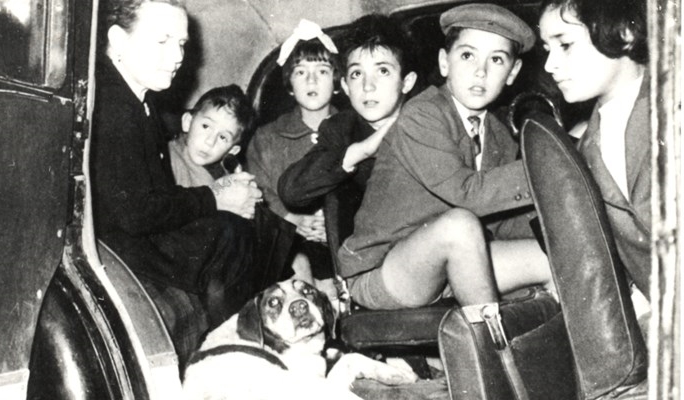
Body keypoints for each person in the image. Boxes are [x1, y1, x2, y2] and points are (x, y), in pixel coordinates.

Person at [338, 3, 552, 310]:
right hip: (386, 268)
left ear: (513, 73)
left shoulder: (498, 134)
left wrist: (556, 227)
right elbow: (468, 195)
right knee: (459, 225)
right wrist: (546, 168)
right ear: (444, 62)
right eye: (467, 55)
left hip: (457, 261)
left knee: (555, 257)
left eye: (497, 59)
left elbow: (503, 222)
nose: (481, 71)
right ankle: (491, 347)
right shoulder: (422, 115)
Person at [91, 0, 262, 365]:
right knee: (232, 234)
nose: (177, 56)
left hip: (131, 237)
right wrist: (215, 197)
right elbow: (136, 214)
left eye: (181, 44)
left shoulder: (141, 101)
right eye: (163, 41)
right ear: (118, 41)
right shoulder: (110, 106)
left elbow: (158, 196)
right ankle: (231, 354)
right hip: (118, 248)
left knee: (238, 229)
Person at [539, 0, 650, 307]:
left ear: (626, 32)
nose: (550, 65)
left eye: (565, 44)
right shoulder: (588, 146)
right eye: (547, 48)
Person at [277, 14, 418, 223]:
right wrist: (360, 151)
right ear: (345, 87)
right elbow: (291, 190)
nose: (368, 86)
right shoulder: (341, 129)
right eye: (357, 74)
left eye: (382, 70)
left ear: (406, 82)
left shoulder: (428, 121)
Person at [246, 19, 341, 283]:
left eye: (322, 71)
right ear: (289, 85)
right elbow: (260, 194)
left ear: (336, 82)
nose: (311, 79)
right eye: (301, 72)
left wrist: (336, 224)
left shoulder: (352, 132)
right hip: (290, 247)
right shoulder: (266, 138)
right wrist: (292, 219)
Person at [169, 84, 255, 188]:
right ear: (187, 122)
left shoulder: (224, 174)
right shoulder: (168, 160)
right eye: (205, 126)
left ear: (232, 150)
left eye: (222, 137)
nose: (210, 141)